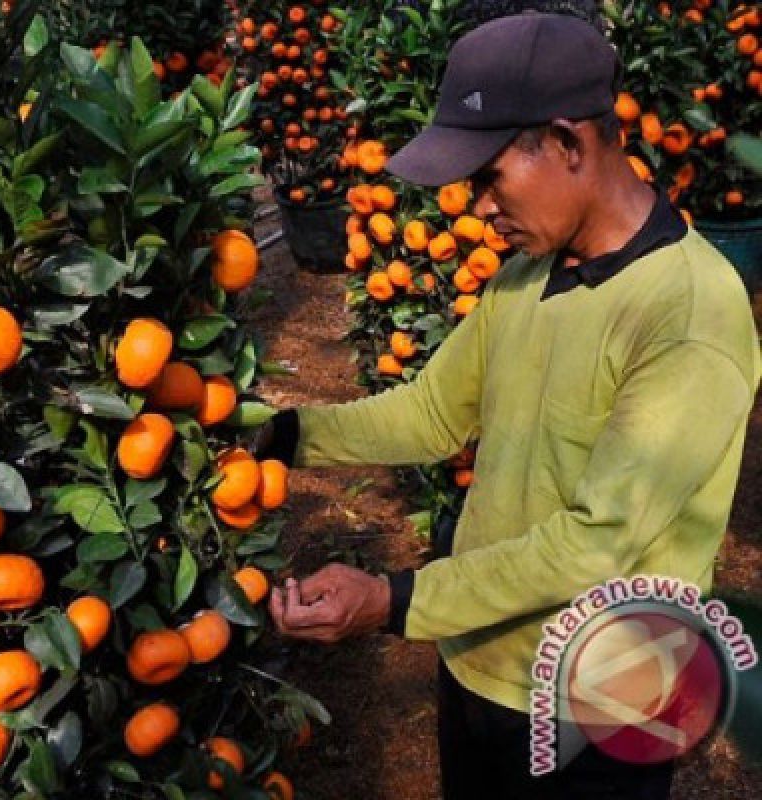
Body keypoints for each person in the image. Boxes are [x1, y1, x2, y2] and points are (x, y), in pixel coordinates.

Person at [257, 12, 761, 800]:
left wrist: (394, 600)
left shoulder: (690, 314)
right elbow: (431, 413)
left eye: (488, 176)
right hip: (478, 663)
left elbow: (598, 547)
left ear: (567, 144)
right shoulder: (525, 277)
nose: (478, 206)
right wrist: (277, 435)